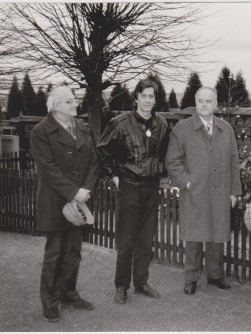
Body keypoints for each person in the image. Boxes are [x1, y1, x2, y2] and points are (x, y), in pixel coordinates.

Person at [96, 79, 169, 304]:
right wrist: (115, 177)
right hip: (128, 187)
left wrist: (160, 172)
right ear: (136, 97)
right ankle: (121, 286)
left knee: (146, 241)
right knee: (126, 240)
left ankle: (141, 282)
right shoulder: (119, 123)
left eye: (151, 96)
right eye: (143, 96)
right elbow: (102, 151)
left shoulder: (162, 124)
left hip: (151, 188)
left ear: (155, 99)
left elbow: (164, 154)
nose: (147, 100)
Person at [31, 86, 99, 322]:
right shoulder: (40, 132)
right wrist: (73, 192)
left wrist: (85, 190)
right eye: (69, 101)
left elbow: (93, 161)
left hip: (78, 200)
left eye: (75, 100)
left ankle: (69, 294)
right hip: (54, 201)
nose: (75, 105)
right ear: (55, 105)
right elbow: (47, 169)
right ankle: (50, 303)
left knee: (73, 253)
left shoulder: (82, 127)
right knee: (55, 253)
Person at [165, 87, 242, 295]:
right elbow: (173, 162)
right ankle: (191, 278)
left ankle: (215, 275)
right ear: (195, 102)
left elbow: (234, 161)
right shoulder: (182, 128)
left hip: (221, 192)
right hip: (194, 193)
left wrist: (234, 191)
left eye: (209, 101)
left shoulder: (226, 128)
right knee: (194, 237)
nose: (205, 105)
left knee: (216, 236)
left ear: (215, 103)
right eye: (201, 101)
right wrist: (188, 183)